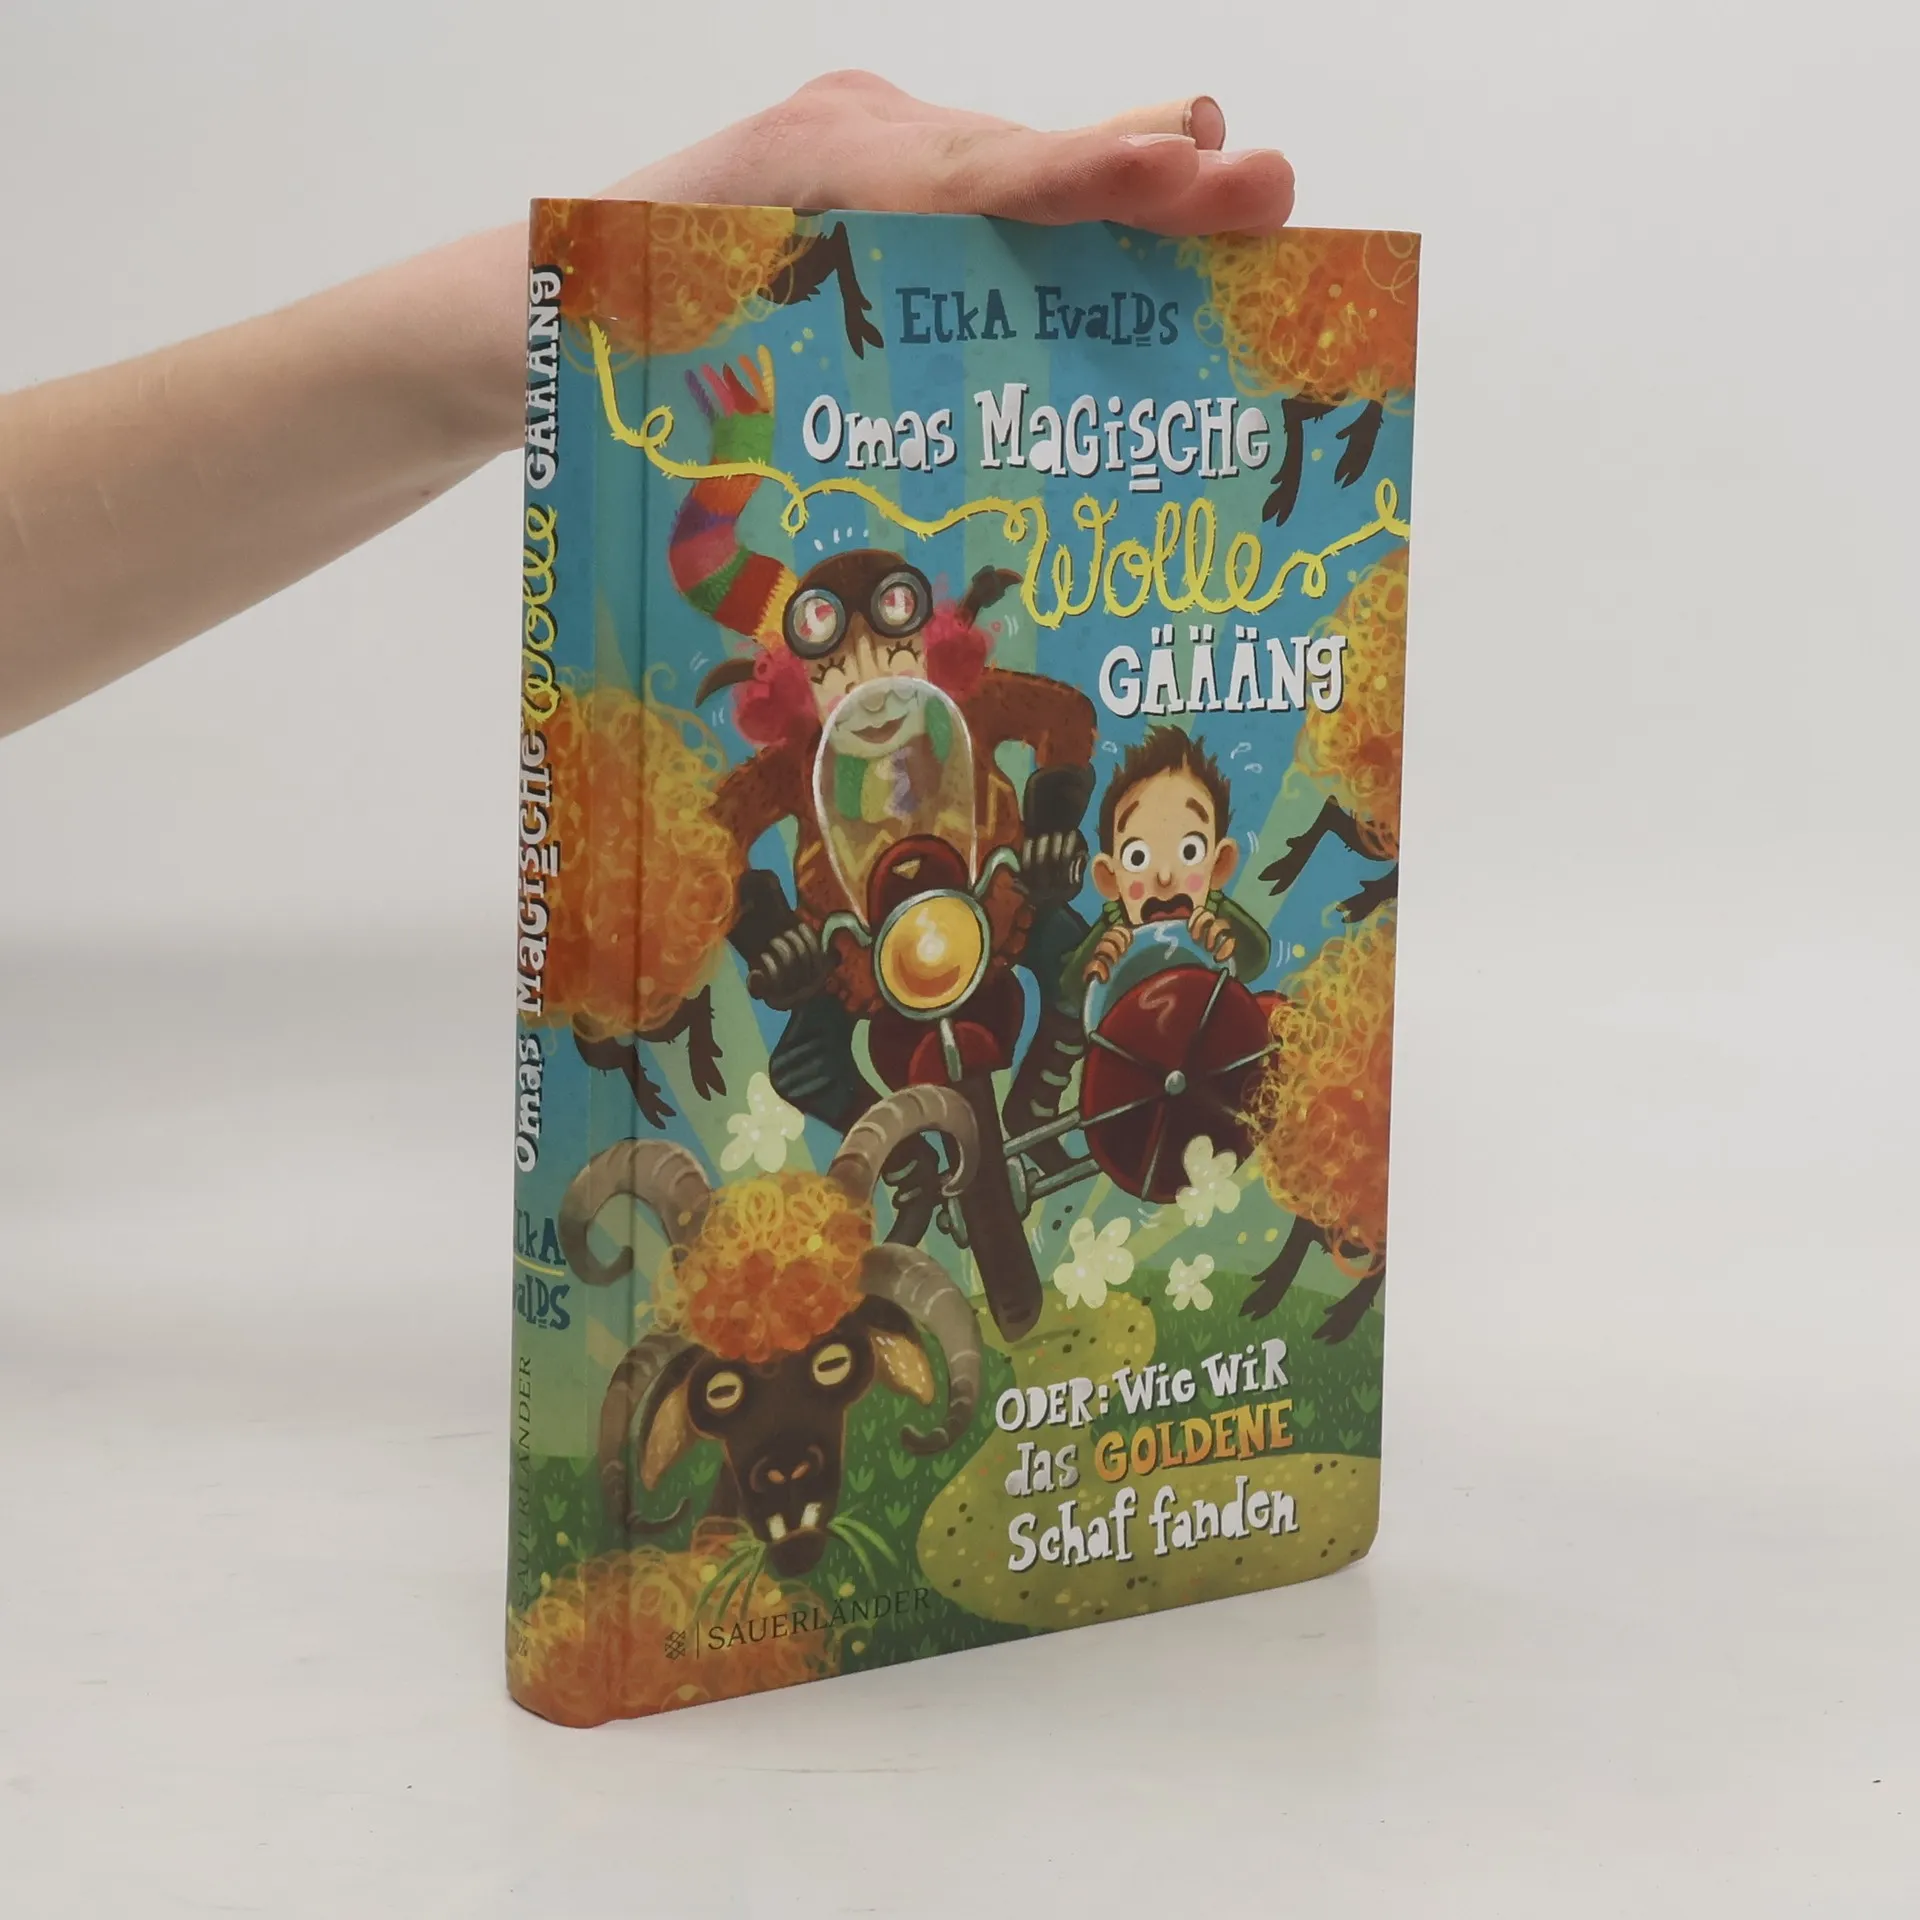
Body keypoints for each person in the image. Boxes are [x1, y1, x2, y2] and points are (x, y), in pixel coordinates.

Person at [0, 75, 1295, 738]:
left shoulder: (965, 684)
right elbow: (706, 562)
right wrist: (730, 451)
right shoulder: (794, 629)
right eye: (846, 632)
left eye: (890, 630)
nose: (867, 657)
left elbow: (1053, 720)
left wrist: (599, 299)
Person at [1070, 724, 1273, 986]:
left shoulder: (1216, 916)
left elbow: (1257, 955)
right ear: (1109, 878)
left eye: (1190, 851)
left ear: (1219, 865)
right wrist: (1097, 966)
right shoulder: (1113, 929)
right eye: (1137, 858)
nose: (1164, 877)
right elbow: (1069, 988)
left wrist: (1228, 946)